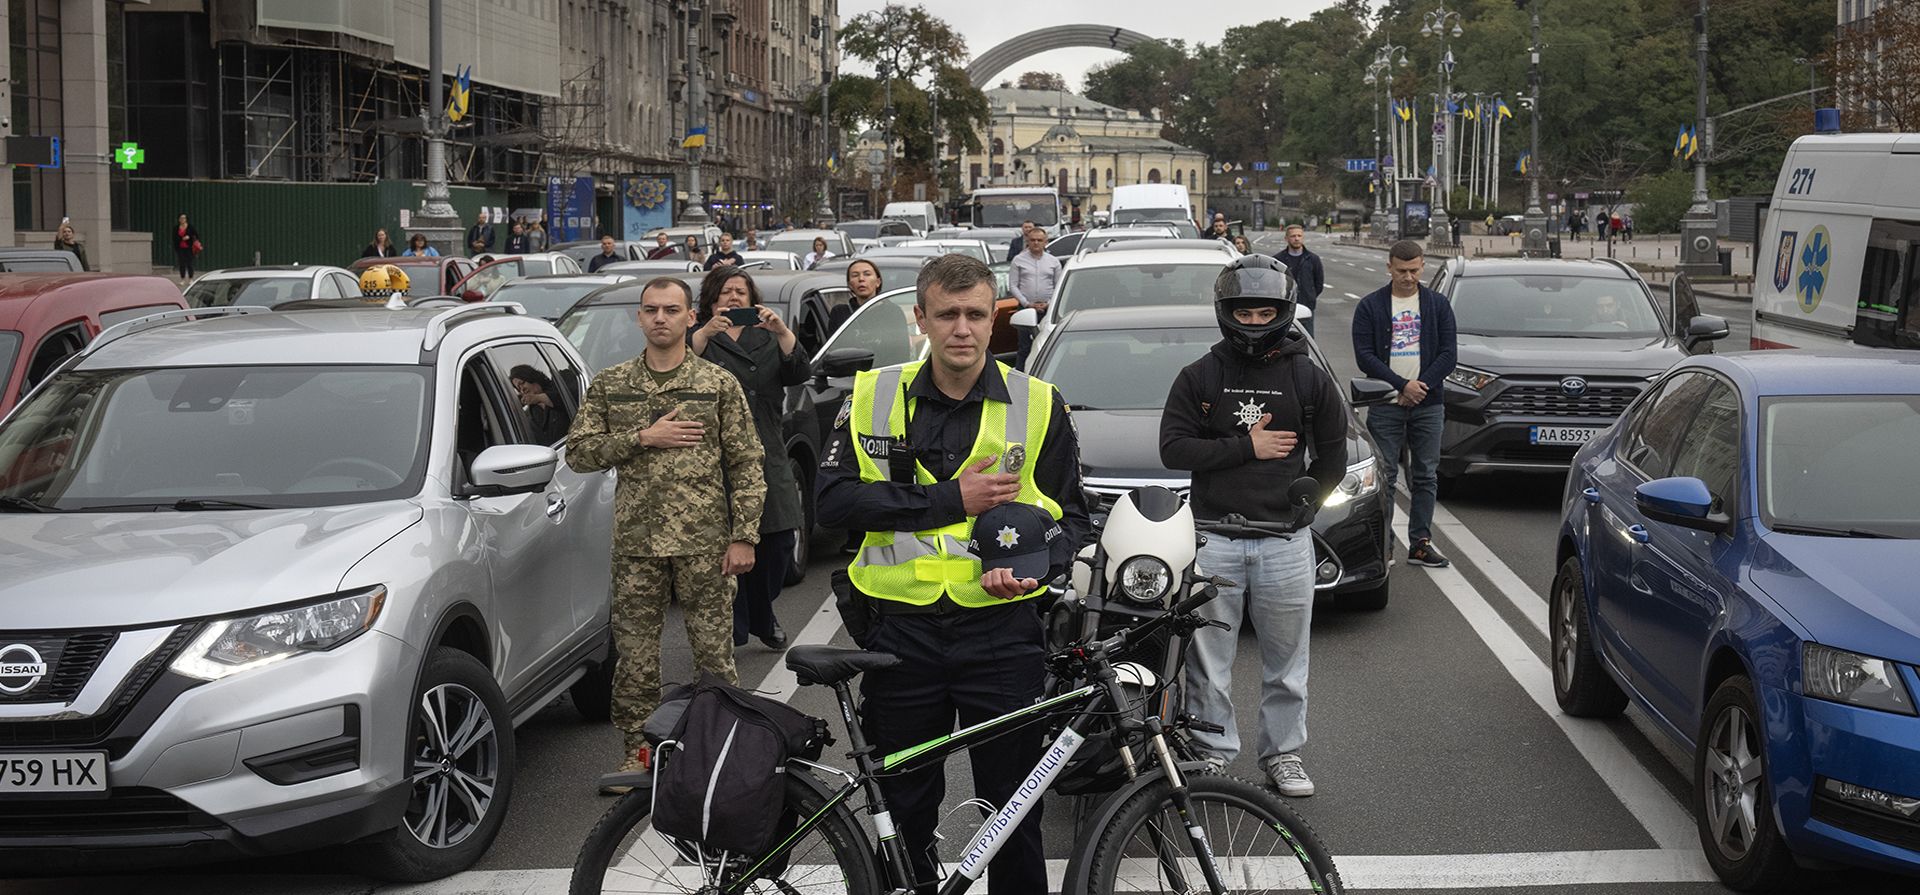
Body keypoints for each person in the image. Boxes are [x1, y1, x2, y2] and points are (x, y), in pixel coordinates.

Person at [816, 254, 1090, 895]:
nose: (961, 329)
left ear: (993, 320)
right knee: (905, 806)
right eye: (947, 315)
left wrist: (1035, 575)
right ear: (921, 320)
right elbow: (830, 505)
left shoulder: (1039, 402)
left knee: (1015, 808)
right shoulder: (871, 395)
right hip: (899, 633)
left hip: (1001, 631)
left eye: (974, 314)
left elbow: (1071, 520)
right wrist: (948, 502)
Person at [565, 276, 766, 791]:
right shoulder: (612, 384)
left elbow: (747, 463)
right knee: (634, 658)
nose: (660, 318)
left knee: (715, 658)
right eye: (651, 309)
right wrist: (642, 438)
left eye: (671, 310)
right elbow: (579, 453)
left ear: (689, 318)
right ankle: (639, 754)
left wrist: (744, 536)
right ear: (638, 317)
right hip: (637, 546)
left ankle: (717, 754)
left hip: (706, 545)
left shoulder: (716, 384)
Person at [1160, 253, 1347, 797]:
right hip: (1212, 538)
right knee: (1208, 662)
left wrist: (1308, 503)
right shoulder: (1200, 376)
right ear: (1226, 312)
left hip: (1284, 544)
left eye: (1266, 313)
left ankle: (1283, 754)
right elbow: (1173, 449)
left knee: (1288, 663)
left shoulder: (1309, 379)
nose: (1255, 322)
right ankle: (1214, 751)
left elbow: (1333, 457)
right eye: (1245, 312)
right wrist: (1249, 445)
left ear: (1284, 311)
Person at [691, 268, 811, 650]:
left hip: (766, 449)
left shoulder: (767, 335)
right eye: (725, 291)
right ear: (711, 300)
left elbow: (799, 372)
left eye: (740, 292)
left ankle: (763, 611)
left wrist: (781, 331)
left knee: (777, 542)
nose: (733, 298)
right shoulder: (701, 338)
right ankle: (737, 625)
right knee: (726, 548)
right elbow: (674, 372)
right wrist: (704, 334)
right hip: (715, 457)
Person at [1351, 240, 1456, 569]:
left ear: (1423, 267)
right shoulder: (1370, 306)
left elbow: (1448, 355)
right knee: (1384, 476)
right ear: (1389, 267)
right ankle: (1385, 543)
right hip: (1386, 403)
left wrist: (1420, 388)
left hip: (1428, 403)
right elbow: (1365, 355)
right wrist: (1401, 386)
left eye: (1414, 270)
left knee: (1425, 475)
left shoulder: (1438, 305)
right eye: (1401, 271)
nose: (1408, 277)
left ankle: (1421, 543)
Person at [1008, 226, 1061, 369]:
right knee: (1024, 347)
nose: (1036, 243)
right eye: (1032, 240)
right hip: (1026, 310)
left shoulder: (1053, 262)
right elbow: (1013, 285)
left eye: (1039, 240)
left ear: (1046, 242)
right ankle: (1019, 377)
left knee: (1048, 345)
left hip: (1048, 310)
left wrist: (1049, 303)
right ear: (1027, 241)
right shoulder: (1018, 260)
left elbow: (1059, 286)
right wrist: (1026, 304)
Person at [1275, 224, 1326, 337]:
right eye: (1293, 236)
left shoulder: (1313, 259)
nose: (1296, 238)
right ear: (1286, 238)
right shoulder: (1278, 260)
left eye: (1299, 235)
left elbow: (1318, 284)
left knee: (1307, 338)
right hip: (1284, 307)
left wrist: (1310, 296)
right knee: (1283, 338)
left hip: (1307, 305)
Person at [510, 364, 573, 444]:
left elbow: (567, 399)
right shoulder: (533, 414)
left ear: (530, 377)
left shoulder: (560, 383)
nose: (522, 389)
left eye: (522, 383)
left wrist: (538, 398)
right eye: (519, 388)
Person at [828, 257, 884, 332]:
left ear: (878, 282)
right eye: (855, 275)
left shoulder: (891, 311)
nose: (861, 279)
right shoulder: (839, 312)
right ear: (850, 284)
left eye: (867, 274)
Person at [171, 213, 201, 284]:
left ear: (186, 219)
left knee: (189, 263)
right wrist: (182, 238)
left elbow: (196, 235)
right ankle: (182, 279)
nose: (182, 219)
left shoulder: (190, 227)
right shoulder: (176, 228)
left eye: (184, 218)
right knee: (182, 264)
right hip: (180, 248)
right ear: (179, 219)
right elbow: (174, 238)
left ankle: (191, 278)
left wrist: (189, 237)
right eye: (181, 218)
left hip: (189, 248)